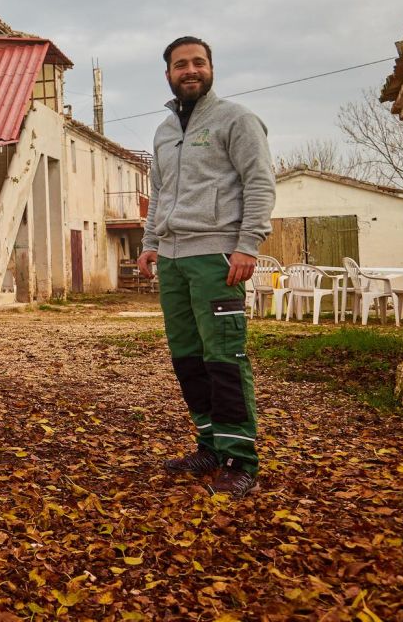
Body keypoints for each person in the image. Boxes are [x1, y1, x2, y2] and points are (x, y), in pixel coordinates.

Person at [137, 35, 275, 499]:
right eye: (181, 64)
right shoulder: (163, 131)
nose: (190, 70)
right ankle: (211, 445)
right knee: (188, 357)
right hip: (173, 260)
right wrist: (150, 243)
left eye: (198, 62)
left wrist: (248, 245)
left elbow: (260, 183)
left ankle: (240, 460)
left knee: (224, 357)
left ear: (211, 68)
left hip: (218, 257)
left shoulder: (236, 119)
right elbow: (160, 194)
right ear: (169, 74)